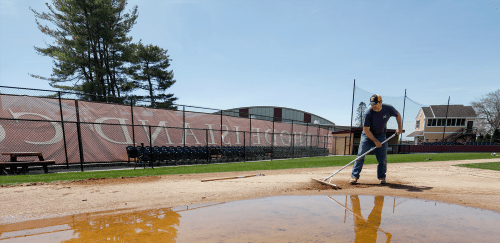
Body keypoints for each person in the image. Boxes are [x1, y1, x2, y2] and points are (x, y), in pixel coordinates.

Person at [350, 94, 402, 185]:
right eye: (372, 104)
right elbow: (366, 130)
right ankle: (354, 176)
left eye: (375, 104)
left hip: (381, 135)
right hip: (367, 135)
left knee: (382, 158)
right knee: (360, 155)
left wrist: (400, 128)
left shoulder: (388, 108)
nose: (373, 106)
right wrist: (375, 141)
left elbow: (398, 115)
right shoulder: (368, 113)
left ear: (380, 102)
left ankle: (381, 177)